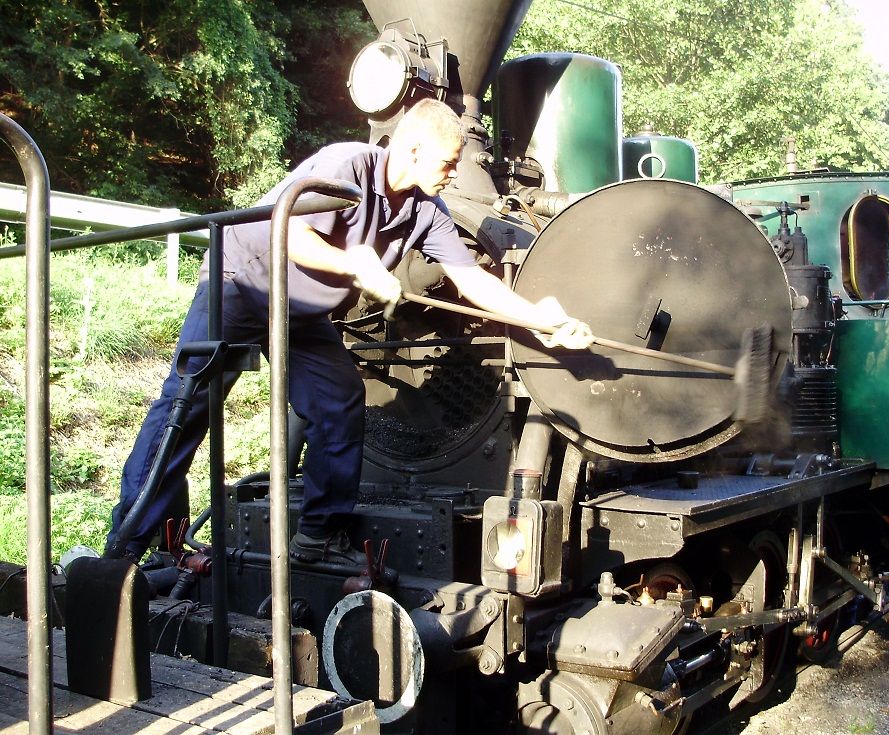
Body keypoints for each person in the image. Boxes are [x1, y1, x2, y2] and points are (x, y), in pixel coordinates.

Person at [106, 98, 593, 564]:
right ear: (414, 150)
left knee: (340, 400)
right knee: (187, 407)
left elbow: (471, 280)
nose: (451, 174)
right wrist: (354, 266)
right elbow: (290, 230)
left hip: (299, 313)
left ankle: (317, 535)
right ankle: (128, 542)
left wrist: (543, 318)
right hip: (242, 284)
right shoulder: (347, 166)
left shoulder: (428, 211)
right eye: (447, 163)